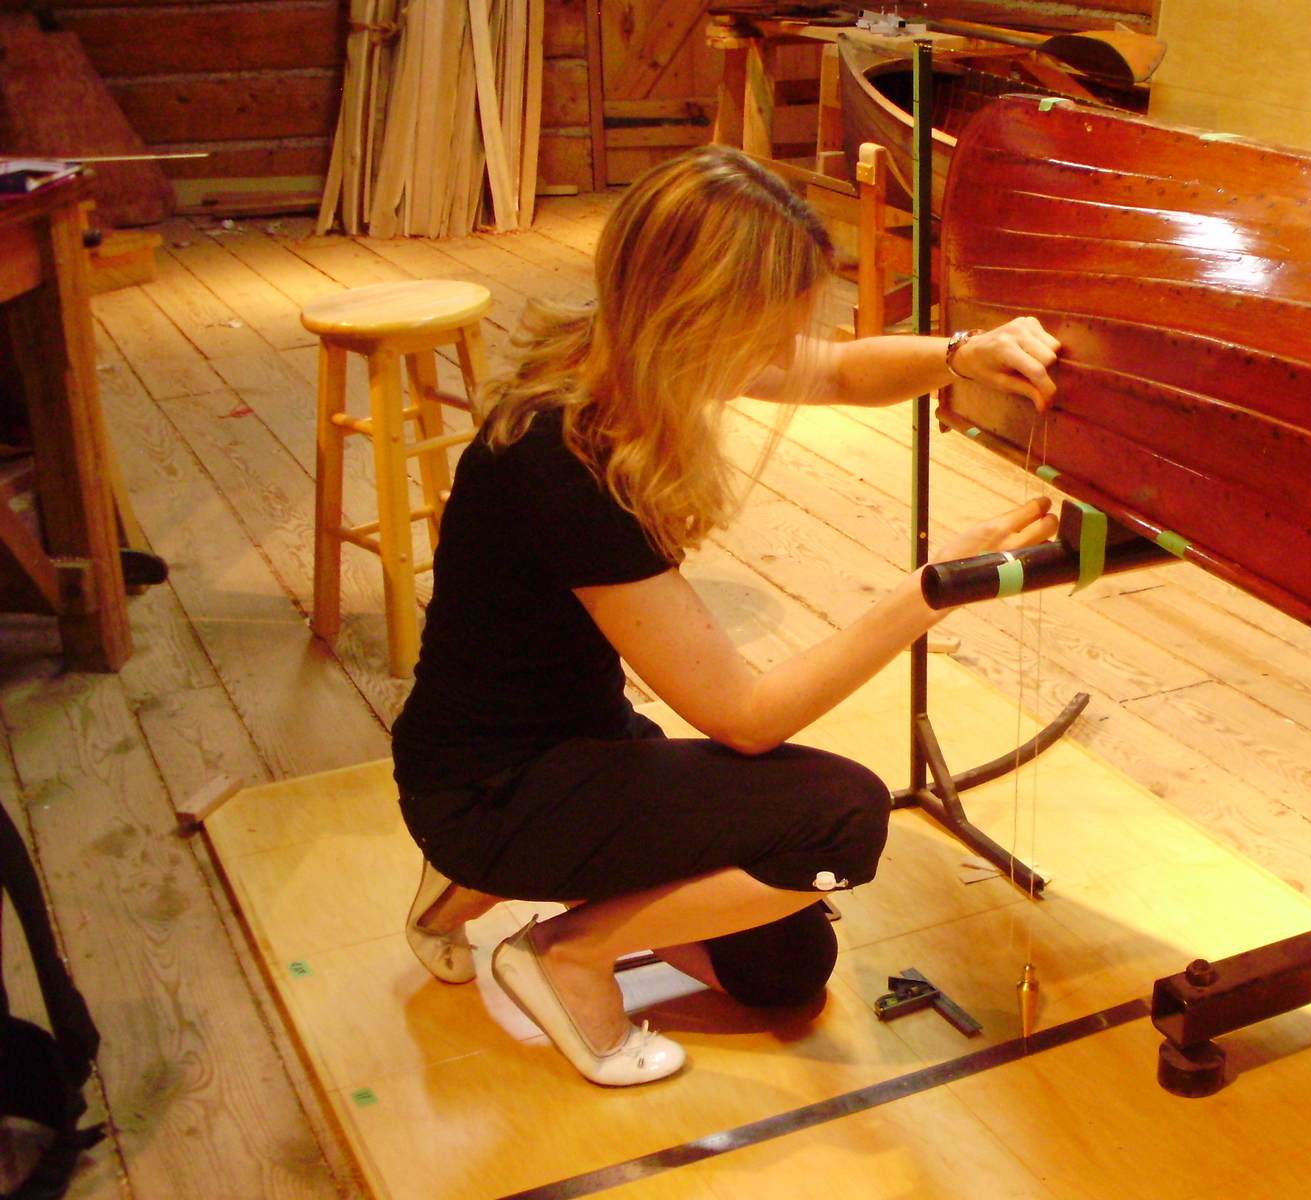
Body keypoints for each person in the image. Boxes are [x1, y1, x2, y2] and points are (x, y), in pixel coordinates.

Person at [391, 144, 1061, 1087]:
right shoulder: (567, 455)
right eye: (761, 338)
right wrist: (931, 588)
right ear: (693, 311)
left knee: (781, 972)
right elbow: (746, 719)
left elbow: (834, 373)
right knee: (842, 819)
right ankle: (560, 955)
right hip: (495, 783)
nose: (776, 362)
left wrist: (963, 356)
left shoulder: (615, 354)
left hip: (570, 750)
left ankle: (468, 887)